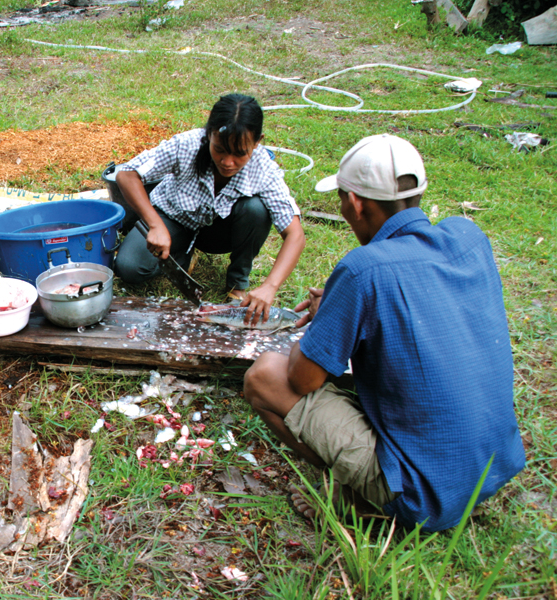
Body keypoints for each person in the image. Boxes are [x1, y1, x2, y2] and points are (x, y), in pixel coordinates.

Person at [242, 134, 524, 531]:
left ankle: (359, 500)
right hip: (491, 471)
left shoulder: (363, 269)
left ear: (355, 203)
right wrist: (344, 308)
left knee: (265, 376)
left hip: (422, 496)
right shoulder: (468, 237)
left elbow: (301, 379)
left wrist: (331, 318)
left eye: (342, 199)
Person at [113, 93, 305, 324]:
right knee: (129, 268)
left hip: (220, 232)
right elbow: (126, 174)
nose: (227, 162)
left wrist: (270, 286)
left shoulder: (263, 168)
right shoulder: (186, 144)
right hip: (173, 219)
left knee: (256, 210)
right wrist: (154, 224)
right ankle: (181, 256)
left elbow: (295, 234)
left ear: (257, 142)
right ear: (209, 134)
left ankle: (237, 283)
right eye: (220, 149)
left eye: (239, 153)